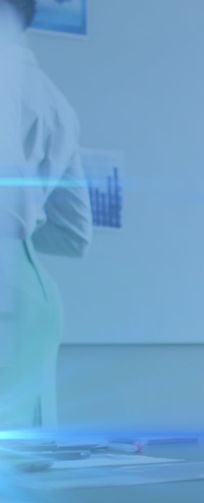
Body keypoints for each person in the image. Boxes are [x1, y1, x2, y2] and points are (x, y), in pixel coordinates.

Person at [0, 0, 92, 429]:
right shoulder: (52, 96)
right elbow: (74, 233)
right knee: (23, 460)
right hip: (32, 287)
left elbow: (12, 207)